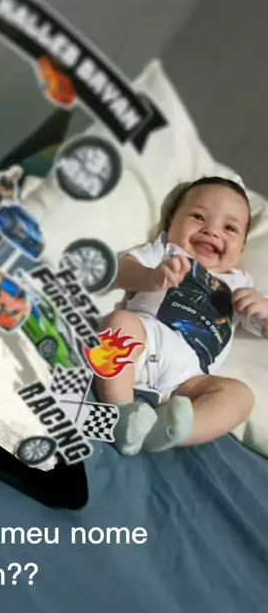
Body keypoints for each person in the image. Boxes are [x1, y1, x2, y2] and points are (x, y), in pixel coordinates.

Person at [96, 176, 268, 455]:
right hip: (144, 342)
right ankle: (120, 413)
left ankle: (172, 430)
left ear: (242, 249)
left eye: (229, 228)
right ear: (171, 222)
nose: (212, 231)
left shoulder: (241, 284)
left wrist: (263, 308)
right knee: (118, 324)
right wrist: (150, 277)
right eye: (198, 217)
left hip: (188, 380)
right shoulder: (167, 252)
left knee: (240, 397)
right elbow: (118, 272)